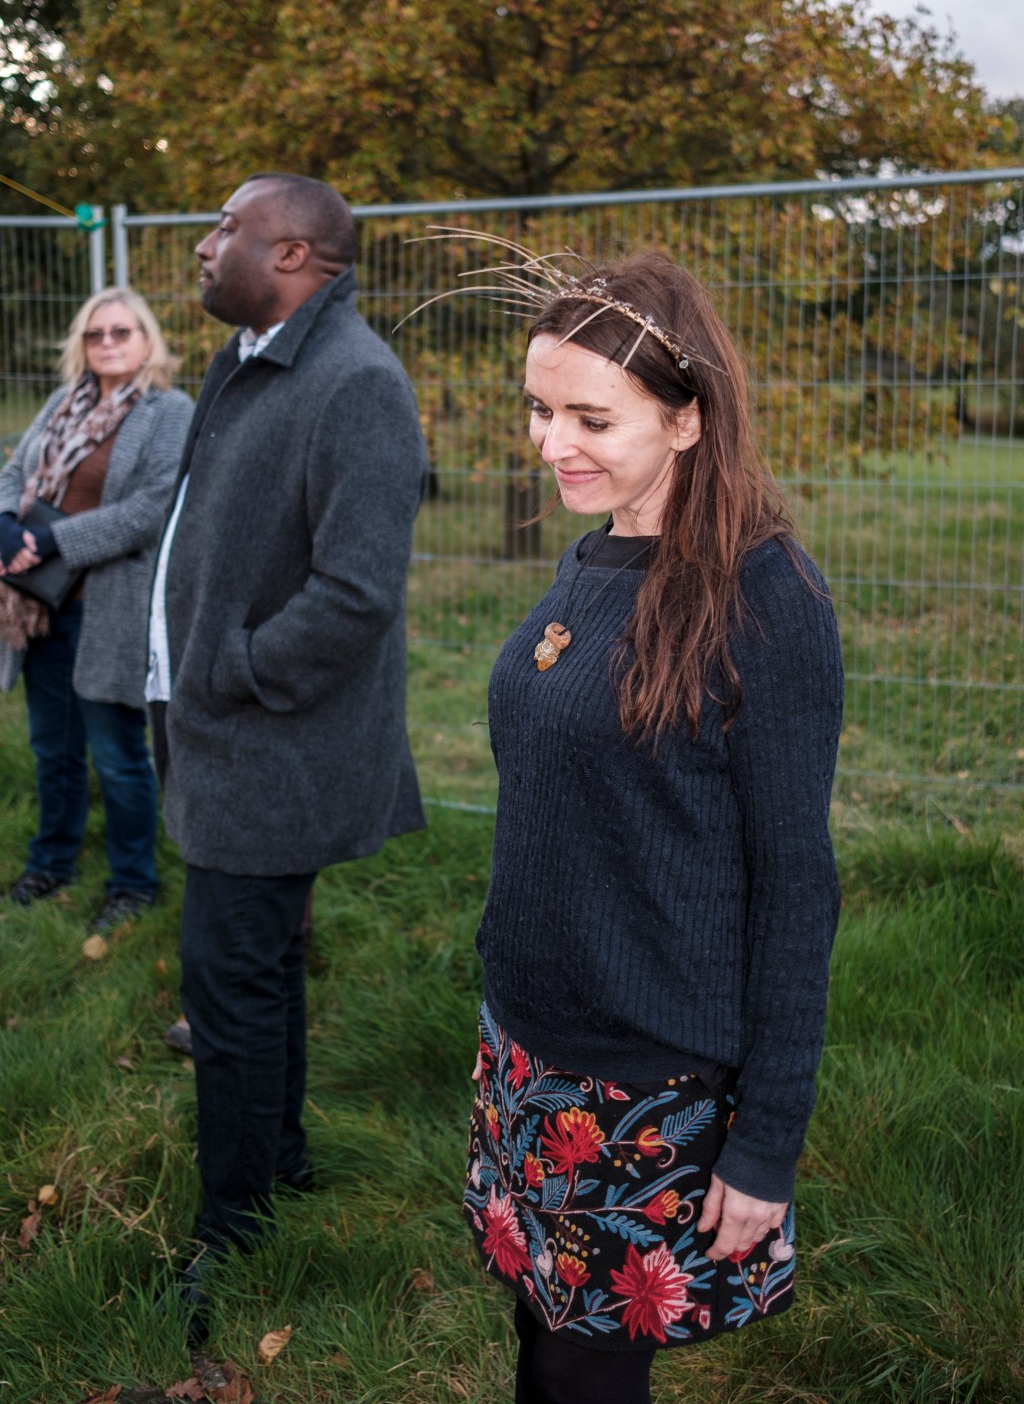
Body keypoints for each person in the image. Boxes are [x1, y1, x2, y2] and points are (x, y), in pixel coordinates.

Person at [452, 248, 844, 1404]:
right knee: (541, 1331)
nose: (550, 442)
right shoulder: (596, 554)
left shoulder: (764, 601)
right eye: (538, 408)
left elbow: (794, 890)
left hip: (648, 1083)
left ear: (685, 420)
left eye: (589, 416)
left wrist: (765, 1140)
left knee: (584, 1373)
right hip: (530, 1045)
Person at [146, 173, 428, 1331]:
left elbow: (357, 590)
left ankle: (234, 1227)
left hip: (272, 743)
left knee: (231, 981)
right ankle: (284, 1164)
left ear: (297, 253)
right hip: (219, 730)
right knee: (253, 973)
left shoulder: (355, 382)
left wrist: (236, 670)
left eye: (228, 229)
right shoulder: (255, 355)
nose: (205, 245)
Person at [0, 288, 192, 931]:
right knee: (52, 748)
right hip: (39, 609)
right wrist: (5, 524)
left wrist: (48, 539)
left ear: (147, 341)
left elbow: (148, 511)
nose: (107, 343)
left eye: (121, 331)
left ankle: (131, 882)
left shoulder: (170, 412)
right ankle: (51, 862)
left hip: (107, 609)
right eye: (95, 334)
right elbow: (14, 468)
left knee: (116, 753)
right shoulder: (62, 403)